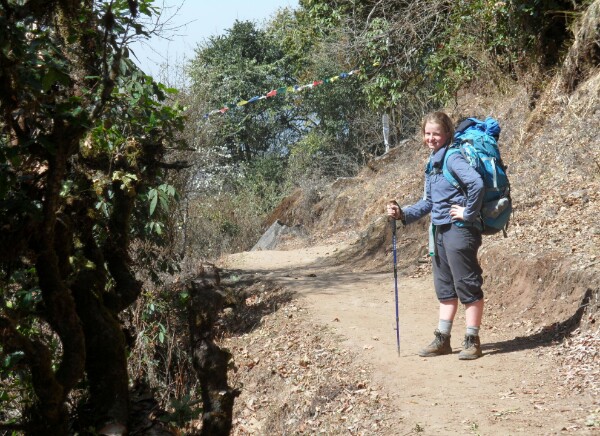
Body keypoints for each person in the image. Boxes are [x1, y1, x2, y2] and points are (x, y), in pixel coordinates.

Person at [386, 111, 485, 360]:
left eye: (436, 134)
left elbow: (476, 183)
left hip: (459, 230)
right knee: (445, 288)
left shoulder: (453, 158)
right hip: (440, 230)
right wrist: (402, 213)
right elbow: (429, 202)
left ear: (447, 134)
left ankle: (472, 340)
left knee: (467, 286)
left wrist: (468, 213)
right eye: (427, 133)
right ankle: (443, 339)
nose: (431, 138)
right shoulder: (432, 163)